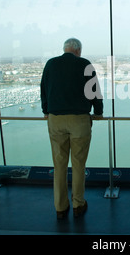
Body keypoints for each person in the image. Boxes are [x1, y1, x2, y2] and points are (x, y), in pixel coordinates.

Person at [40, 38, 103, 219]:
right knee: (78, 165)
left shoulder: (51, 64)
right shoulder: (84, 64)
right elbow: (94, 93)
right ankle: (78, 204)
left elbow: (43, 89)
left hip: (55, 120)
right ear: (78, 50)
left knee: (59, 166)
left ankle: (60, 207)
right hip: (79, 121)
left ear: (65, 49)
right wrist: (98, 112)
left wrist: (46, 111)